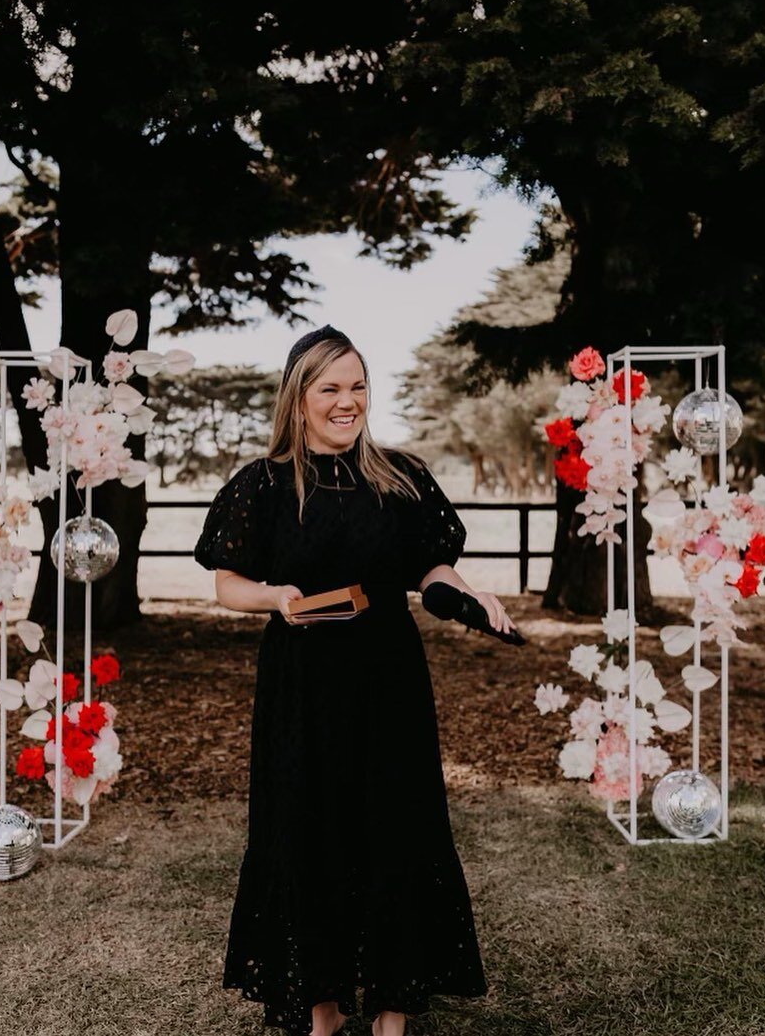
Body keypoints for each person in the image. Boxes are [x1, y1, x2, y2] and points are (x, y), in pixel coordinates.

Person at [194, 326, 515, 1036]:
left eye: (358, 385)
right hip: (302, 684)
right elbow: (227, 585)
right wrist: (278, 596)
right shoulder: (265, 483)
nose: (348, 401)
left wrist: (471, 597)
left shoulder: (399, 477)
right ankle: (323, 1007)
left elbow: (428, 569)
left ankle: (393, 1012)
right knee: (308, 832)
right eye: (330, 388)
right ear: (299, 398)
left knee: (395, 829)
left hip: (388, 682)